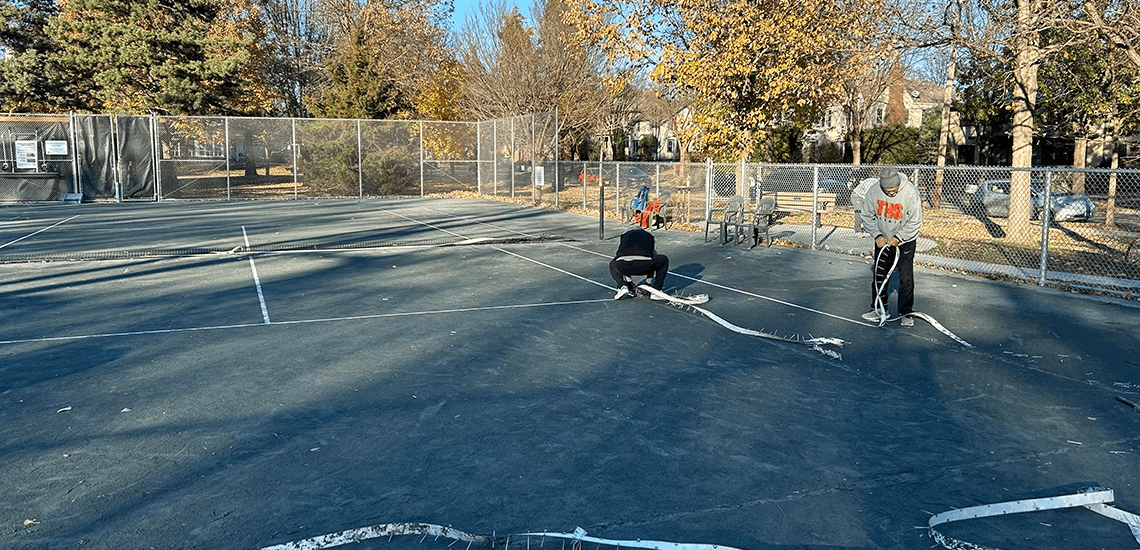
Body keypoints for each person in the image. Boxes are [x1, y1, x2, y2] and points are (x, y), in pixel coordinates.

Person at [859, 168, 923, 326]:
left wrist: (899, 237)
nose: (891, 195)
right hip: (883, 240)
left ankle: (906, 313)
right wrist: (876, 235)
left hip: (905, 241)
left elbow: (915, 221)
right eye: (888, 192)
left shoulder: (910, 192)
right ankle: (879, 309)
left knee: (906, 278)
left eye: (894, 192)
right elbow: (866, 215)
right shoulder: (874, 191)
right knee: (879, 275)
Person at [610, 227, 669, 299]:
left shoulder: (624, 236)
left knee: (613, 263)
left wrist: (629, 282)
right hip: (644, 266)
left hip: (623, 266)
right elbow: (652, 257)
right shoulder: (649, 236)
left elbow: (624, 257)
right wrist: (648, 283)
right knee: (663, 259)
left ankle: (622, 286)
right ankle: (657, 290)